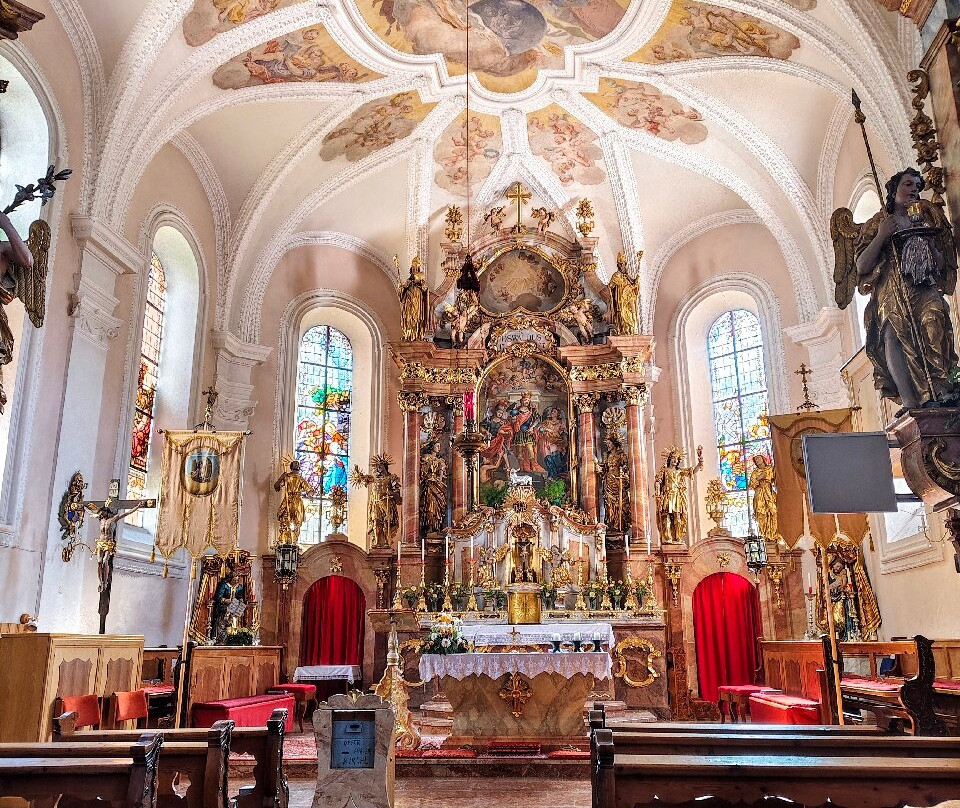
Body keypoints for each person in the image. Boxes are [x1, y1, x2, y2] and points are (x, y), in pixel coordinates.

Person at [834, 168, 958, 409]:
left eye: (917, 186)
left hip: (923, 287)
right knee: (894, 337)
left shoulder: (925, 219)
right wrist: (882, 236)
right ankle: (910, 400)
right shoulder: (879, 222)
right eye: (908, 184)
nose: (914, 190)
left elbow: (941, 264)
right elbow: (861, 265)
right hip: (891, 289)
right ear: (893, 191)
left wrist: (929, 240)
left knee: (935, 322)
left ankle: (941, 388)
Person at [654, 445, 703, 544]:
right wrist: (658, 491)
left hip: (677, 496)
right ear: (669, 459)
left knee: (678, 517)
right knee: (666, 517)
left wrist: (700, 463)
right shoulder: (664, 470)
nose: (675, 460)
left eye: (677, 459)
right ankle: (668, 538)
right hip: (667, 496)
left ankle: (678, 537)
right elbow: (658, 481)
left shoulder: (680, 471)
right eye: (673, 458)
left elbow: (692, 471)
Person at [748, 455, 780, 542]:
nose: (757, 460)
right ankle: (764, 535)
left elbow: (776, 478)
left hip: (769, 492)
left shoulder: (769, 468)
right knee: (761, 514)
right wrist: (759, 478)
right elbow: (751, 485)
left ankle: (773, 534)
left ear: (763, 459)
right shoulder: (755, 472)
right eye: (755, 460)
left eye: (759, 458)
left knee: (773, 511)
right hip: (759, 494)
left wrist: (766, 476)